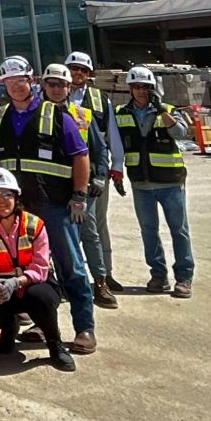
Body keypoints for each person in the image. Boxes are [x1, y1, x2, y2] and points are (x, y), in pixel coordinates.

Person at [0, 57, 97, 355]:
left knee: (71, 266)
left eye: (20, 80)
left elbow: (81, 155)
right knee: (31, 268)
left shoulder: (57, 114)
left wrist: (79, 195)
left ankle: (84, 327)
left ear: (31, 81)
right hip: (17, 210)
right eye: (9, 82)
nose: (15, 86)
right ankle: (43, 322)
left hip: (55, 205)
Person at [0, 166, 76, 371]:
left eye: (7, 194)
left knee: (41, 297)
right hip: (0, 288)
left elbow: (40, 268)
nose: (1, 200)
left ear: (16, 197)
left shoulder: (34, 224)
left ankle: (54, 344)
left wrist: (15, 282)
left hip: (32, 284)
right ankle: (6, 332)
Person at [117, 65, 194, 299]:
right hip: (141, 183)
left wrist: (161, 110)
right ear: (130, 89)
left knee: (178, 230)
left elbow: (181, 133)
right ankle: (158, 274)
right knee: (148, 231)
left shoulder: (168, 110)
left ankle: (184, 277)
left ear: (153, 89)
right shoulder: (120, 113)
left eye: (146, 87)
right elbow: (115, 145)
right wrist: (116, 173)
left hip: (170, 182)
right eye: (137, 87)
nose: (141, 91)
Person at [50, 60, 118, 311]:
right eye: (52, 84)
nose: (57, 90)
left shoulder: (82, 115)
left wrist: (100, 175)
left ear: (70, 88)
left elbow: (99, 149)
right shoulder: (40, 115)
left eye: (62, 85)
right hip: (55, 187)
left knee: (90, 234)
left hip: (83, 187)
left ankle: (99, 282)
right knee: (59, 238)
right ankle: (65, 284)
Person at [64, 51, 126, 299]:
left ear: (89, 74)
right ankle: (71, 277)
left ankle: (105, 274)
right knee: (69, 226)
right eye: (73, 68)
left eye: (82, 69)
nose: (78, 73)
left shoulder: (100, 100)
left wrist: (116, 166)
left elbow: (111, 135)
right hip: (66, 170)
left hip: (95, 172)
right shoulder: (53, 95)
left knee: (98, 224)